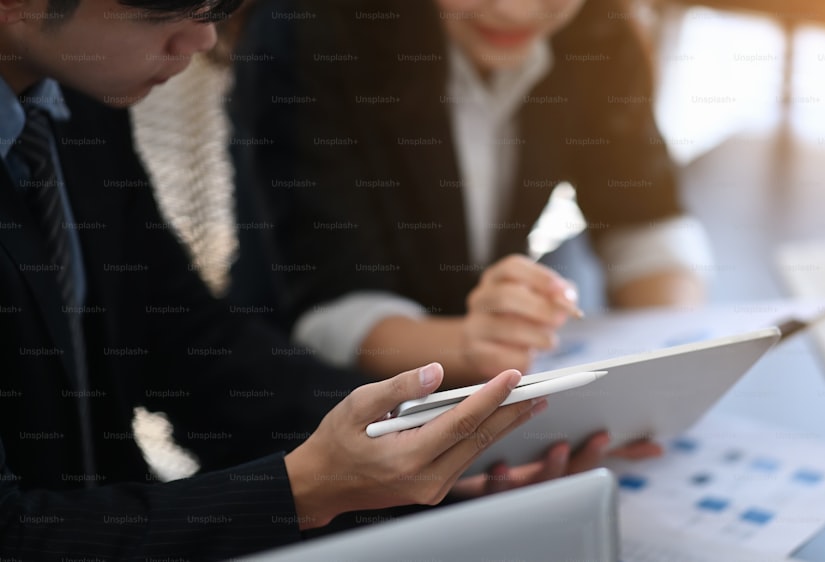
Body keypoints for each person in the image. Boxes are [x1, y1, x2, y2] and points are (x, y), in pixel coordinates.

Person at [0, 0, 612, 558]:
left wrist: (435, 443)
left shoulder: (73, 97)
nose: (203, 37)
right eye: (166, 10)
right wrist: (303, 491)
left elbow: (184, 339)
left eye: (217, 6)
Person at [230, 0, 715, 386]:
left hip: (483, 377)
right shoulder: (310, 25)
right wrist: (472, 347)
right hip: (298, 402)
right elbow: (334, 312)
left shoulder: (595, 25)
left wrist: (669, 362)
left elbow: (643, 218)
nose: (515, 10)